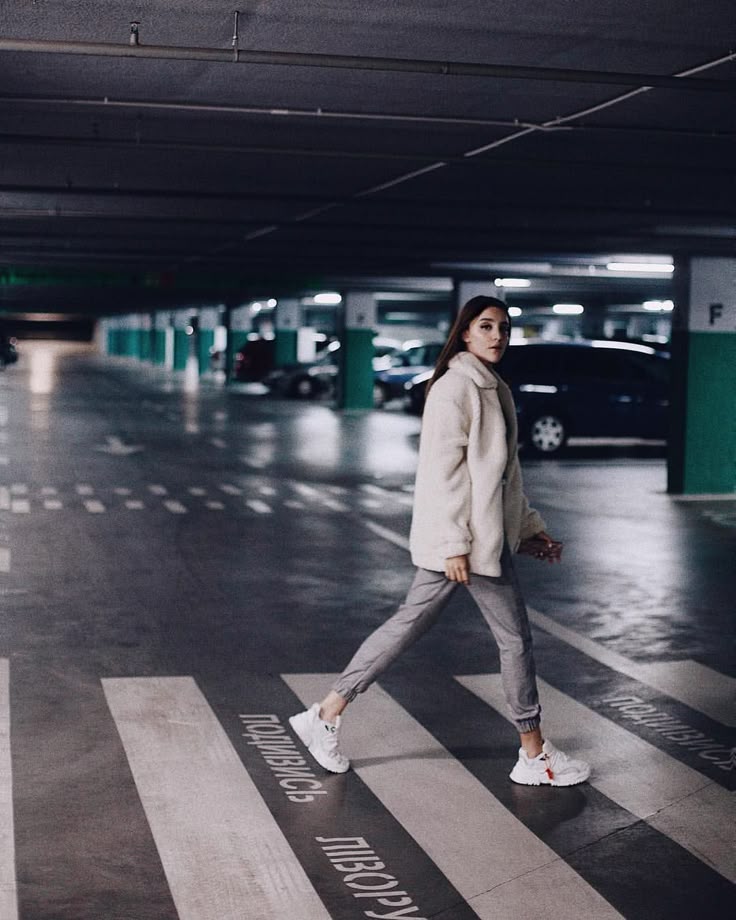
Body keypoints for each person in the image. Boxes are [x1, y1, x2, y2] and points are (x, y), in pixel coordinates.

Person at [290, 295, 590, 787]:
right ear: (465, 333)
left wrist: (527, 529)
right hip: (468, 543)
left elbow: (503, 477)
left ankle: (326, 712)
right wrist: (454, 542)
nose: (498, 336)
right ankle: (533, 754)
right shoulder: (455, 388)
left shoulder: (492, 387)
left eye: (504, 328)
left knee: (411, 625)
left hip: (480, 538)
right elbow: (442, 472)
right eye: (486, 326)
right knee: (514, 641)